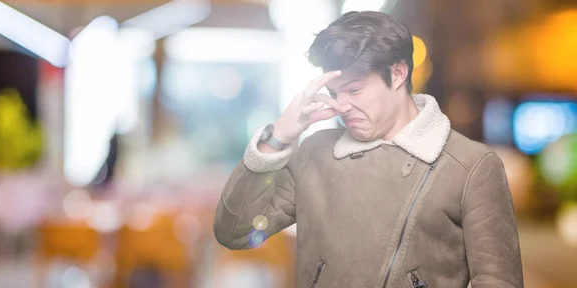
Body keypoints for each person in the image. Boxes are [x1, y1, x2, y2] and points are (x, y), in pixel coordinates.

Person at [213, 11, 523, 288]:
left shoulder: (471, 165)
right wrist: (278, 135)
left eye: (354, 89)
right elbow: (236, 231)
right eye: (334, 93)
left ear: (398, 73)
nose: (341, 105)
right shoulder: (314, 153)